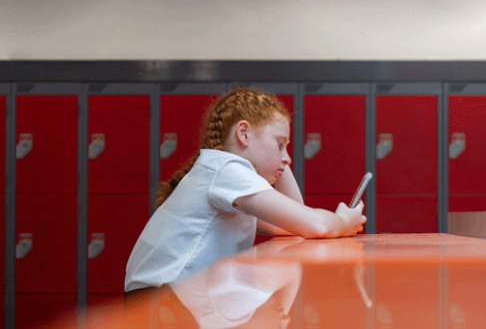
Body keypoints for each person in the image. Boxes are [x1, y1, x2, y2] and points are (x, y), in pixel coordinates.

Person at [124, 88, 366, 295]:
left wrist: (279, 160)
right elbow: (315, 225)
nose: (288, 158)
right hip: (162, 300)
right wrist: (343, 220)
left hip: (172, 297)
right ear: (244, 133)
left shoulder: (225, 178)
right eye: (280, 143)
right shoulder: (226, 169)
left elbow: (292, 225)